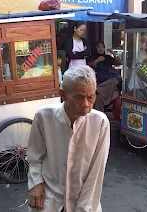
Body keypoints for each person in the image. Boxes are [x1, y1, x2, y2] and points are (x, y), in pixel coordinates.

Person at [27, 66, 110, 212]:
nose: (85, 104)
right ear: (63, 95)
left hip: (84, 201)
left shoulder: (100, 122)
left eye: (90, 97)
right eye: (79, 97)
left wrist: (84, 208)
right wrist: (36, 183)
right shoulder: (44, 117)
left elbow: (96, 173)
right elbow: (34, 157)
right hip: (49, 197)